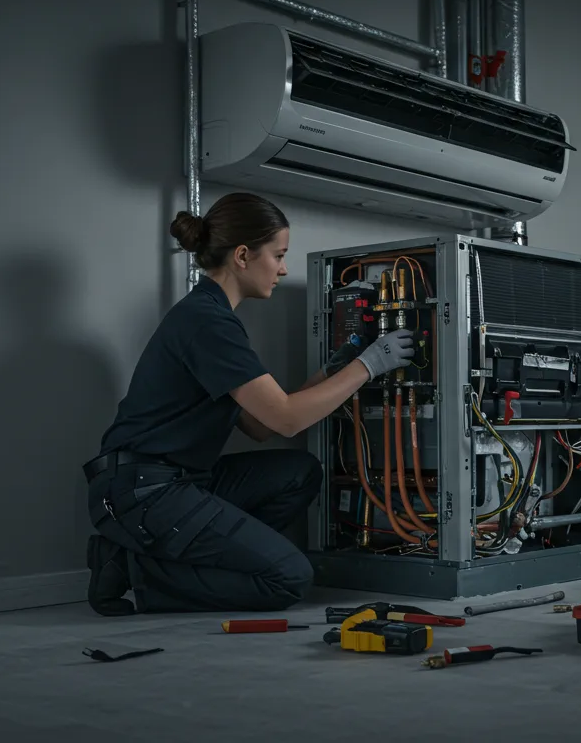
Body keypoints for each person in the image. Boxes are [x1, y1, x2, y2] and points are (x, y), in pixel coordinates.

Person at [82, 191, 414, 616]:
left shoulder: (212, 316)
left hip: (177, 481)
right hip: (144, 491)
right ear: (243, 255)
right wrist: (369, 365)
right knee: (288, 579)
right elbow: (288, 420)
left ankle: (186, 557)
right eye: (278, 255)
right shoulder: (209, 323)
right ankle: (133, 570)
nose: (284, 268)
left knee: (299, 473)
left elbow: (261, 426)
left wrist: (334, 371)